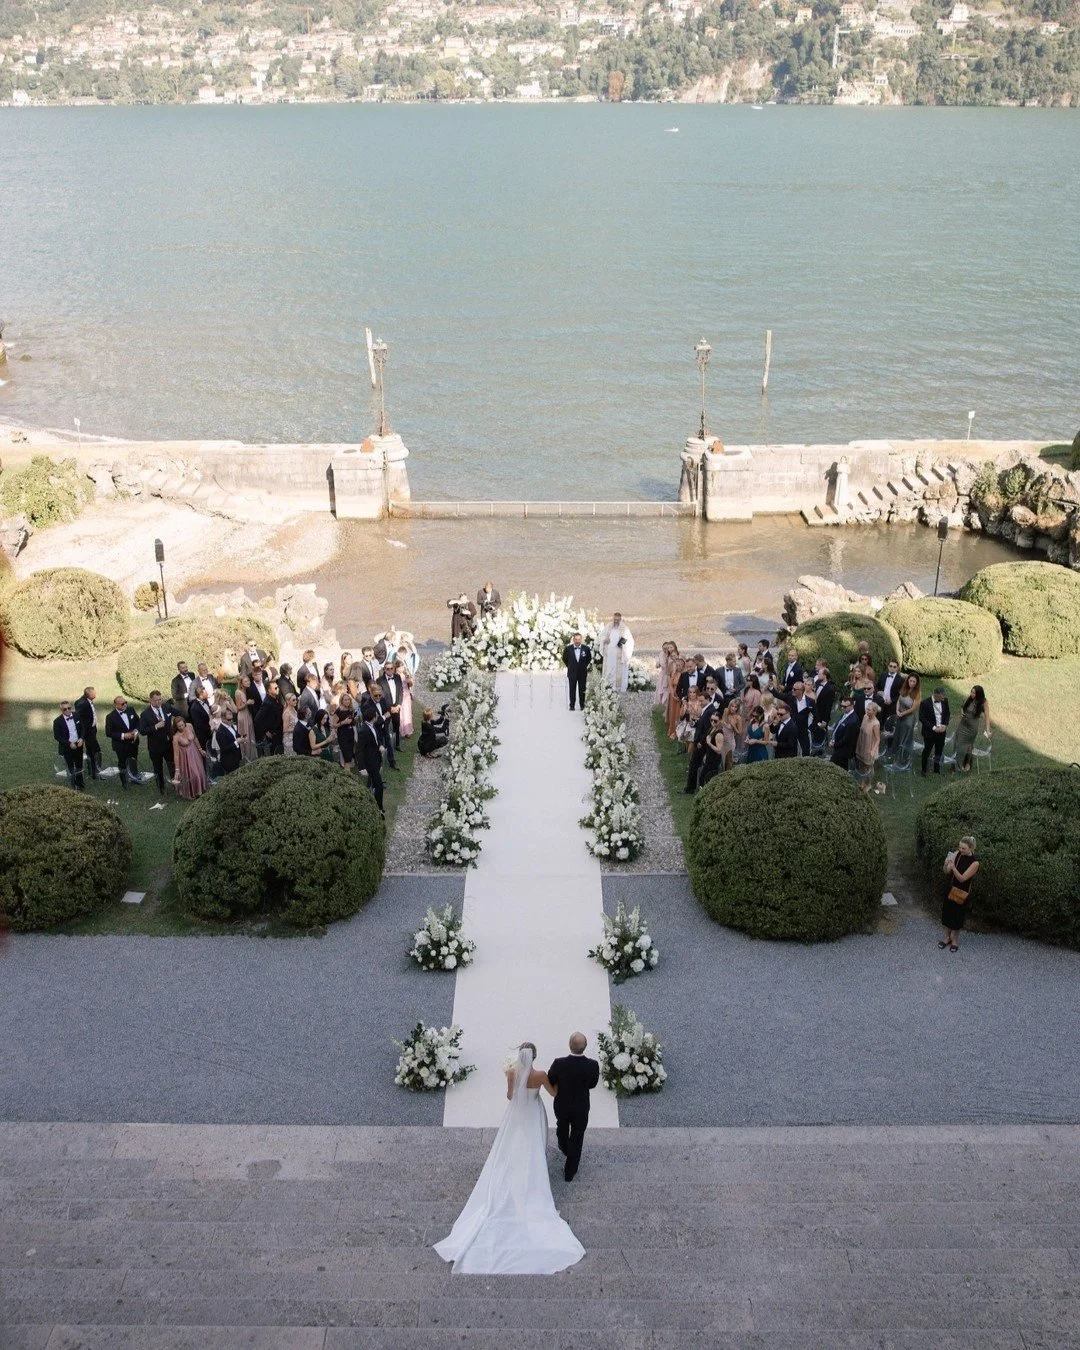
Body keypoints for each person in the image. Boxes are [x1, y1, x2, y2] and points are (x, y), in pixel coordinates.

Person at [434, 1043, 584, 1274]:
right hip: (533, 1112)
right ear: (534, 1056)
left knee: (513, 1144)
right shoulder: (541, 1074)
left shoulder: (512, 1073)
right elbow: (554, 1092)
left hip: (517, 1115)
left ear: (519, 1056)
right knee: (534, 1144)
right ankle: (532, 1174)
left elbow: (510, 1096)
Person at [548, 1032, 601, 1185]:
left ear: (570, 1046)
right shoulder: (592, 1065)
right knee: (578, 1136)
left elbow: (551, 1079)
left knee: (562, 1126)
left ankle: (564, 1146)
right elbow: (592, 1084)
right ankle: (569, 1171)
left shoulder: (558, 1063)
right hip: (581, 1106)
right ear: (585, 1047)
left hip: (562, 1105)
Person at [940, 837, 979, 953]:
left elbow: (962, 879)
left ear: (970, 848)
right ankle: (947, 937)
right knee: (947, 914)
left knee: (957, 916)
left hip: (962, 891)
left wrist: (953, 868)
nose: (960, 850)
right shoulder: (957, 854)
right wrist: (946, 865)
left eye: (963, 848)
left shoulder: (974, 863)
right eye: (960, 847)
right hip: (951, 888)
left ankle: (955, 940)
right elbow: (946, 872)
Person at [139, 690, 173, 796]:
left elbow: (177, 714)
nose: (159, 702)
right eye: (156, 700)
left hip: (168, 744)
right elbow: (143, 731)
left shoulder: (166, 707)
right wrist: (155, 727)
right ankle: (161, 788)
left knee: (172, 765)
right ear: (150, 700)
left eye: (160, 699)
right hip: (155, 746)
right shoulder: (145, 714)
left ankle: (175, 784)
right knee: (158, 768)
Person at [953, 685, 991, 773]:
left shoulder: (984, 702)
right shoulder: (970, 698)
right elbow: (962, 708)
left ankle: (967, 763)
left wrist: (987, 730)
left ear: (979, 694)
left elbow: (987, 717)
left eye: (974, 693)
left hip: (972, 727)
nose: (972, 694)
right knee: (958, 744)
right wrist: (962, 713)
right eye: (971, 692)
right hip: (963, 724)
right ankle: (957, 766)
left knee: (969, 745)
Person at [105, 697, 142, 787]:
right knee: (122, 763)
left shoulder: (131, 710)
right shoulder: (110, 717)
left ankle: (134, 777)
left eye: (125, 702)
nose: (125, 704)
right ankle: (124, 781)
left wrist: (136, 730)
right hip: (121, 745)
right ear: (116, 705)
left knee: (133, 759)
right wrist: (123, 735)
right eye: (122, 703)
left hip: (133, 742)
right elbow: (108, 733)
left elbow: (138, 721)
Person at [171, 715, 208, 799]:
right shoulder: (176, 737)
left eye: (182, 725)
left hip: (195, 753)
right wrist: (177, 769)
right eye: (179, 726)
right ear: (176, 727)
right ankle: (191, 792)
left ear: (184, 723)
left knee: (200, 771)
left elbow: (195, 738)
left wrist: (200, 749)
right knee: (193, 774)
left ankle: (201, 789)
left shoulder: (190, 726)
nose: (181, 727)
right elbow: (176, 754)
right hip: (185, 757)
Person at [52, 699, 85, 790]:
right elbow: (57, 736)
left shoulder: (76, 716)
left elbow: (82, 728)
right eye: (64, 709)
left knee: (79, 765)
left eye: (69, 708)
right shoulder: (57, 721)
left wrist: (82, 738)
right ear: (61, 710)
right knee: (70, 766)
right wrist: (69, 744)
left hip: (78, 745)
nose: (67, 710)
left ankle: (81, 784)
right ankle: (73, 785)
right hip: (67, 747)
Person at [919, 687, 951, 776]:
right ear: (936, 695)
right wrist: (933, 728)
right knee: (927, 750)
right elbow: (922, 718)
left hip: (941, 732)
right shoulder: (925, 703)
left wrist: (945, 725)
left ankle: (936, 769)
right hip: (930, 732)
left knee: (939, 750)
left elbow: (947, 714)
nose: (943, 698)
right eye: (942, 697)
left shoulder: (945, 701)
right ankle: (924, 769)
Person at [358, 706, 385, 812]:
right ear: (373, 717)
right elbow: (359, 750)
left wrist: (380, 746)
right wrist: (361, 767)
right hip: (370, 762)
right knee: (379, 786)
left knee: (373, 785)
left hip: (376, 759)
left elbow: (377, 739)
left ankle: (374, 806)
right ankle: (379, 808)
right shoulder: (363, 731)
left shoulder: (373, 726)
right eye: (376, 715)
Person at [600, 612, 635, 692]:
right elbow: (601, 637)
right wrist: (605, 640)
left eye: (617, 620)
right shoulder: (608, 627)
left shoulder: (625, 629)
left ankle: (619, 688)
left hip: (619, 655)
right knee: (609, 670)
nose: (616, 621)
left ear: (620, 619)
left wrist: (623, 646)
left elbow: (630, 642)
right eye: (614, 619)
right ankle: (608, 686)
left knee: (618, 672)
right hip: (609, 655)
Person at [74, 686, 101, 781]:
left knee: (93, 750)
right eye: (94, 692)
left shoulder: (85, 701)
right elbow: (77, 716)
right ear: (89, 694)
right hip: (87, 731)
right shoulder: (83, 703)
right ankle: (95, 771)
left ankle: (93, 770)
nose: (95, 694)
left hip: (91, 730)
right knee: (95, 750)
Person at [891, 673, 920, 760]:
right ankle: (895, 753)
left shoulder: (917, 693)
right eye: (910, 681)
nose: (911, 683)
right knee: (898, 734)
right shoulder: (904, 688)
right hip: (900, 715)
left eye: (914, 681)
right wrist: (897, 710)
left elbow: (913, 708)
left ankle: (903, 756)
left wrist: (903, 713)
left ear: (916, 683)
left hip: (908, 718)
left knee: (905, 736)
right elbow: (899, 701)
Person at [855, 700, 881, 793]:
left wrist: (873, 750)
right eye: (867, 709)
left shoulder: (876, 724)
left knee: (869, 766)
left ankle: (869, 784)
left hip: (869, 746)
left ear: (874, 711)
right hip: (862, 743)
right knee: (861, 764)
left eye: (869, 710)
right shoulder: (865, 717)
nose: (867, 711)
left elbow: (878, 739)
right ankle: (862, 782)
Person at [378, 664, 406, 750]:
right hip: (387, 708)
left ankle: (397, 744)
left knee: (396, 726)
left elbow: (401, 691)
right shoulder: (379, 680)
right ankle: (387, 746)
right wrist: (390, 708)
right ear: (384, 670)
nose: (389, 670)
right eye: (387, 669)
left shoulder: (397, 677)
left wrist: (399, 705)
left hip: (396, 706)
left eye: (391, 668)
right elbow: (381, 697)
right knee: (386, 727)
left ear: (394, 669)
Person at [562, 631, 592, 711]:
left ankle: (582, 705)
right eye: (576, 639)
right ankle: (572, 705)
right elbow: (564, 659)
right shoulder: (568, 649)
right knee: (572, 689)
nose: (577, 641)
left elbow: (589, 659)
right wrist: (571, 666)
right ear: (573, 640)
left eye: (579, 639)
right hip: (572, 672)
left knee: (582, 689)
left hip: (582, 672)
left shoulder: (586, 649)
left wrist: (583, 666)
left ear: (581, 640)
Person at [254, 680, 284, 755]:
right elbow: (257, 720)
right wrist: (266, 732)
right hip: (273, 734)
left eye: (277, 687)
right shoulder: (267, 703)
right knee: (275, 753)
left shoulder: (275, 698)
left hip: (278, 731)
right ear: (269, 690)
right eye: (275, 688)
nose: (278, 689)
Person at [830, 695, 860, 769]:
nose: (842, 708)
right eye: (841, 706)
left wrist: (834, 744)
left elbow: (847, 739)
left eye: (845, 707)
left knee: (834, 768)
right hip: (838, 747)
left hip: (843, 751)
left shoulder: (852, 721)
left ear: (852, 706)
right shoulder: (845, 714)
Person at [234, 675, 258, 764]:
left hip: (248, 714)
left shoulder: (247, 690)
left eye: (248, 680)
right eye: (245, 681)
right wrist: (247, 703)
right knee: (246, 736)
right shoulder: (238, 692)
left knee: (251, 734)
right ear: (241, 683)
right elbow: (238, 708)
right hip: (242, 716)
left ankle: (253, 756)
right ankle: (246, 757)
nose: (248, 682)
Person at [212, 710, 243, 775]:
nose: (231, 721)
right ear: (223, 719)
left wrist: (242, 737)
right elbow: (224, 748)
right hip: (229, 760)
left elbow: (235, 735)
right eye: (229, 720)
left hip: (236, 756)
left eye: (232, 719)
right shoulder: (220, 732)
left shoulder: (230, 725)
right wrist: (236, 742)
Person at [334, 691, 357, 769]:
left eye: (348, 699)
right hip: (343, 736)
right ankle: (347, 776)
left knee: (350, 756)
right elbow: (334, 725)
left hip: (350, 735)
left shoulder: (351, 710)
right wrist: (343, 722)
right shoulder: (338, 711)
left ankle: (348, 772)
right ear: (341, 701)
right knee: (347, 757)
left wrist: (354, 720)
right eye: (345, 700)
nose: (347, 701)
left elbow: (352, 722)